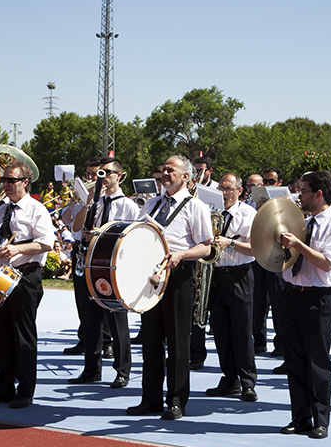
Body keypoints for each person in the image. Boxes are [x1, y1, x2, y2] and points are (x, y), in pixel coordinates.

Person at [127, 155, 212, 420]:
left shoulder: (196, 206)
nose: (164, 173)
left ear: (186, 176)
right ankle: (150, 399)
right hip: (150, 277)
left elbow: (207, 247)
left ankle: (176, 401)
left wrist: (181, 255)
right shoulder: (152, 203)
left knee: (177, 343)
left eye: (170, 170)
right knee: (150, 340)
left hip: (178, 276)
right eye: (163, 169)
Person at [278, 171, 331, 439]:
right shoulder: (301, 222)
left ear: (319, 194)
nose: (300, 195)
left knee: (317, 362)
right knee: (294, 361)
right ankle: (300, 417)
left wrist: (298, 244)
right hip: (291, 295)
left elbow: (327, 262)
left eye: (304, 190)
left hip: (319, 298)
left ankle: (321, 420)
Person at [0, 160, 54, 409]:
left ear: (25, 182)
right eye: (4, 180)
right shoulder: (0, 210)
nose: (6, 185)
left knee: (23, 335)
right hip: (0, 278)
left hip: (25, 276)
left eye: (11, 180)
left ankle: (25, 389)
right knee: (0, 334)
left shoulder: (36, 209)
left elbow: (46, 243)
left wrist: (18, 248)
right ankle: (4, 386)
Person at [68, 157, 138, 388]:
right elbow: (76, 227)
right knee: (89, 320)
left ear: (119, 176)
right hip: (87, 263)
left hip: (113, 268)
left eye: (107, 173)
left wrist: (100, 235)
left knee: (117, 321)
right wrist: (88, 202)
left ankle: (122, 371)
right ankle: (91, 369)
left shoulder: (128, 206)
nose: (103, 177)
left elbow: (133, 238)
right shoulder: (94, 202)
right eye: (100, 173)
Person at [204, 173, 258, 402]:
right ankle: (229, 379)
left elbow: (257, 247)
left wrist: (231, 243)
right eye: (220, 189)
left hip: (239, 274)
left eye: (228, 189)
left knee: (242, 331)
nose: (223, 193)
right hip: (215, 275)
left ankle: (248, 382)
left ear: (239, 191)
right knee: (221, 331)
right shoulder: (208, 211)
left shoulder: (249, 213)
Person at [60, 157, 104, 355]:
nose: (90, 178)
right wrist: (73, 202)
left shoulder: (104, 198)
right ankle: (84, 338)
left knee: (100, 295)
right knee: (81, 297)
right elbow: (66, 220)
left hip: (98, 249)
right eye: (87, 174)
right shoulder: (80, 196)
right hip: (79, 247)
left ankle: (106, 341)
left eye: (94, 175)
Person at [252, 166, 286, 359]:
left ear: (279, 183)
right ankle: (259, 340)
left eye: (271, 181)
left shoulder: (285, 201)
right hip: (259, 255)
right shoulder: (255, 201)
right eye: (264, 181)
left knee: (278, 300)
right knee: (258, 301)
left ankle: (281, 342)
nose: (266, 184)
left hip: (277, 255)